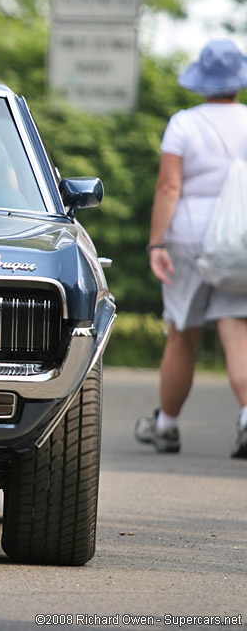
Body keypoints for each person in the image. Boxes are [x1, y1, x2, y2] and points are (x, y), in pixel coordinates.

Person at [134, 38, 247, 458]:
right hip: (239, 238)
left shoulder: (183, 123)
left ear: (202, 81)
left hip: (188, 235)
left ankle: (166, 426)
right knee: (237, 330)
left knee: (182, 334)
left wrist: (157, 242)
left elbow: (168, 186)